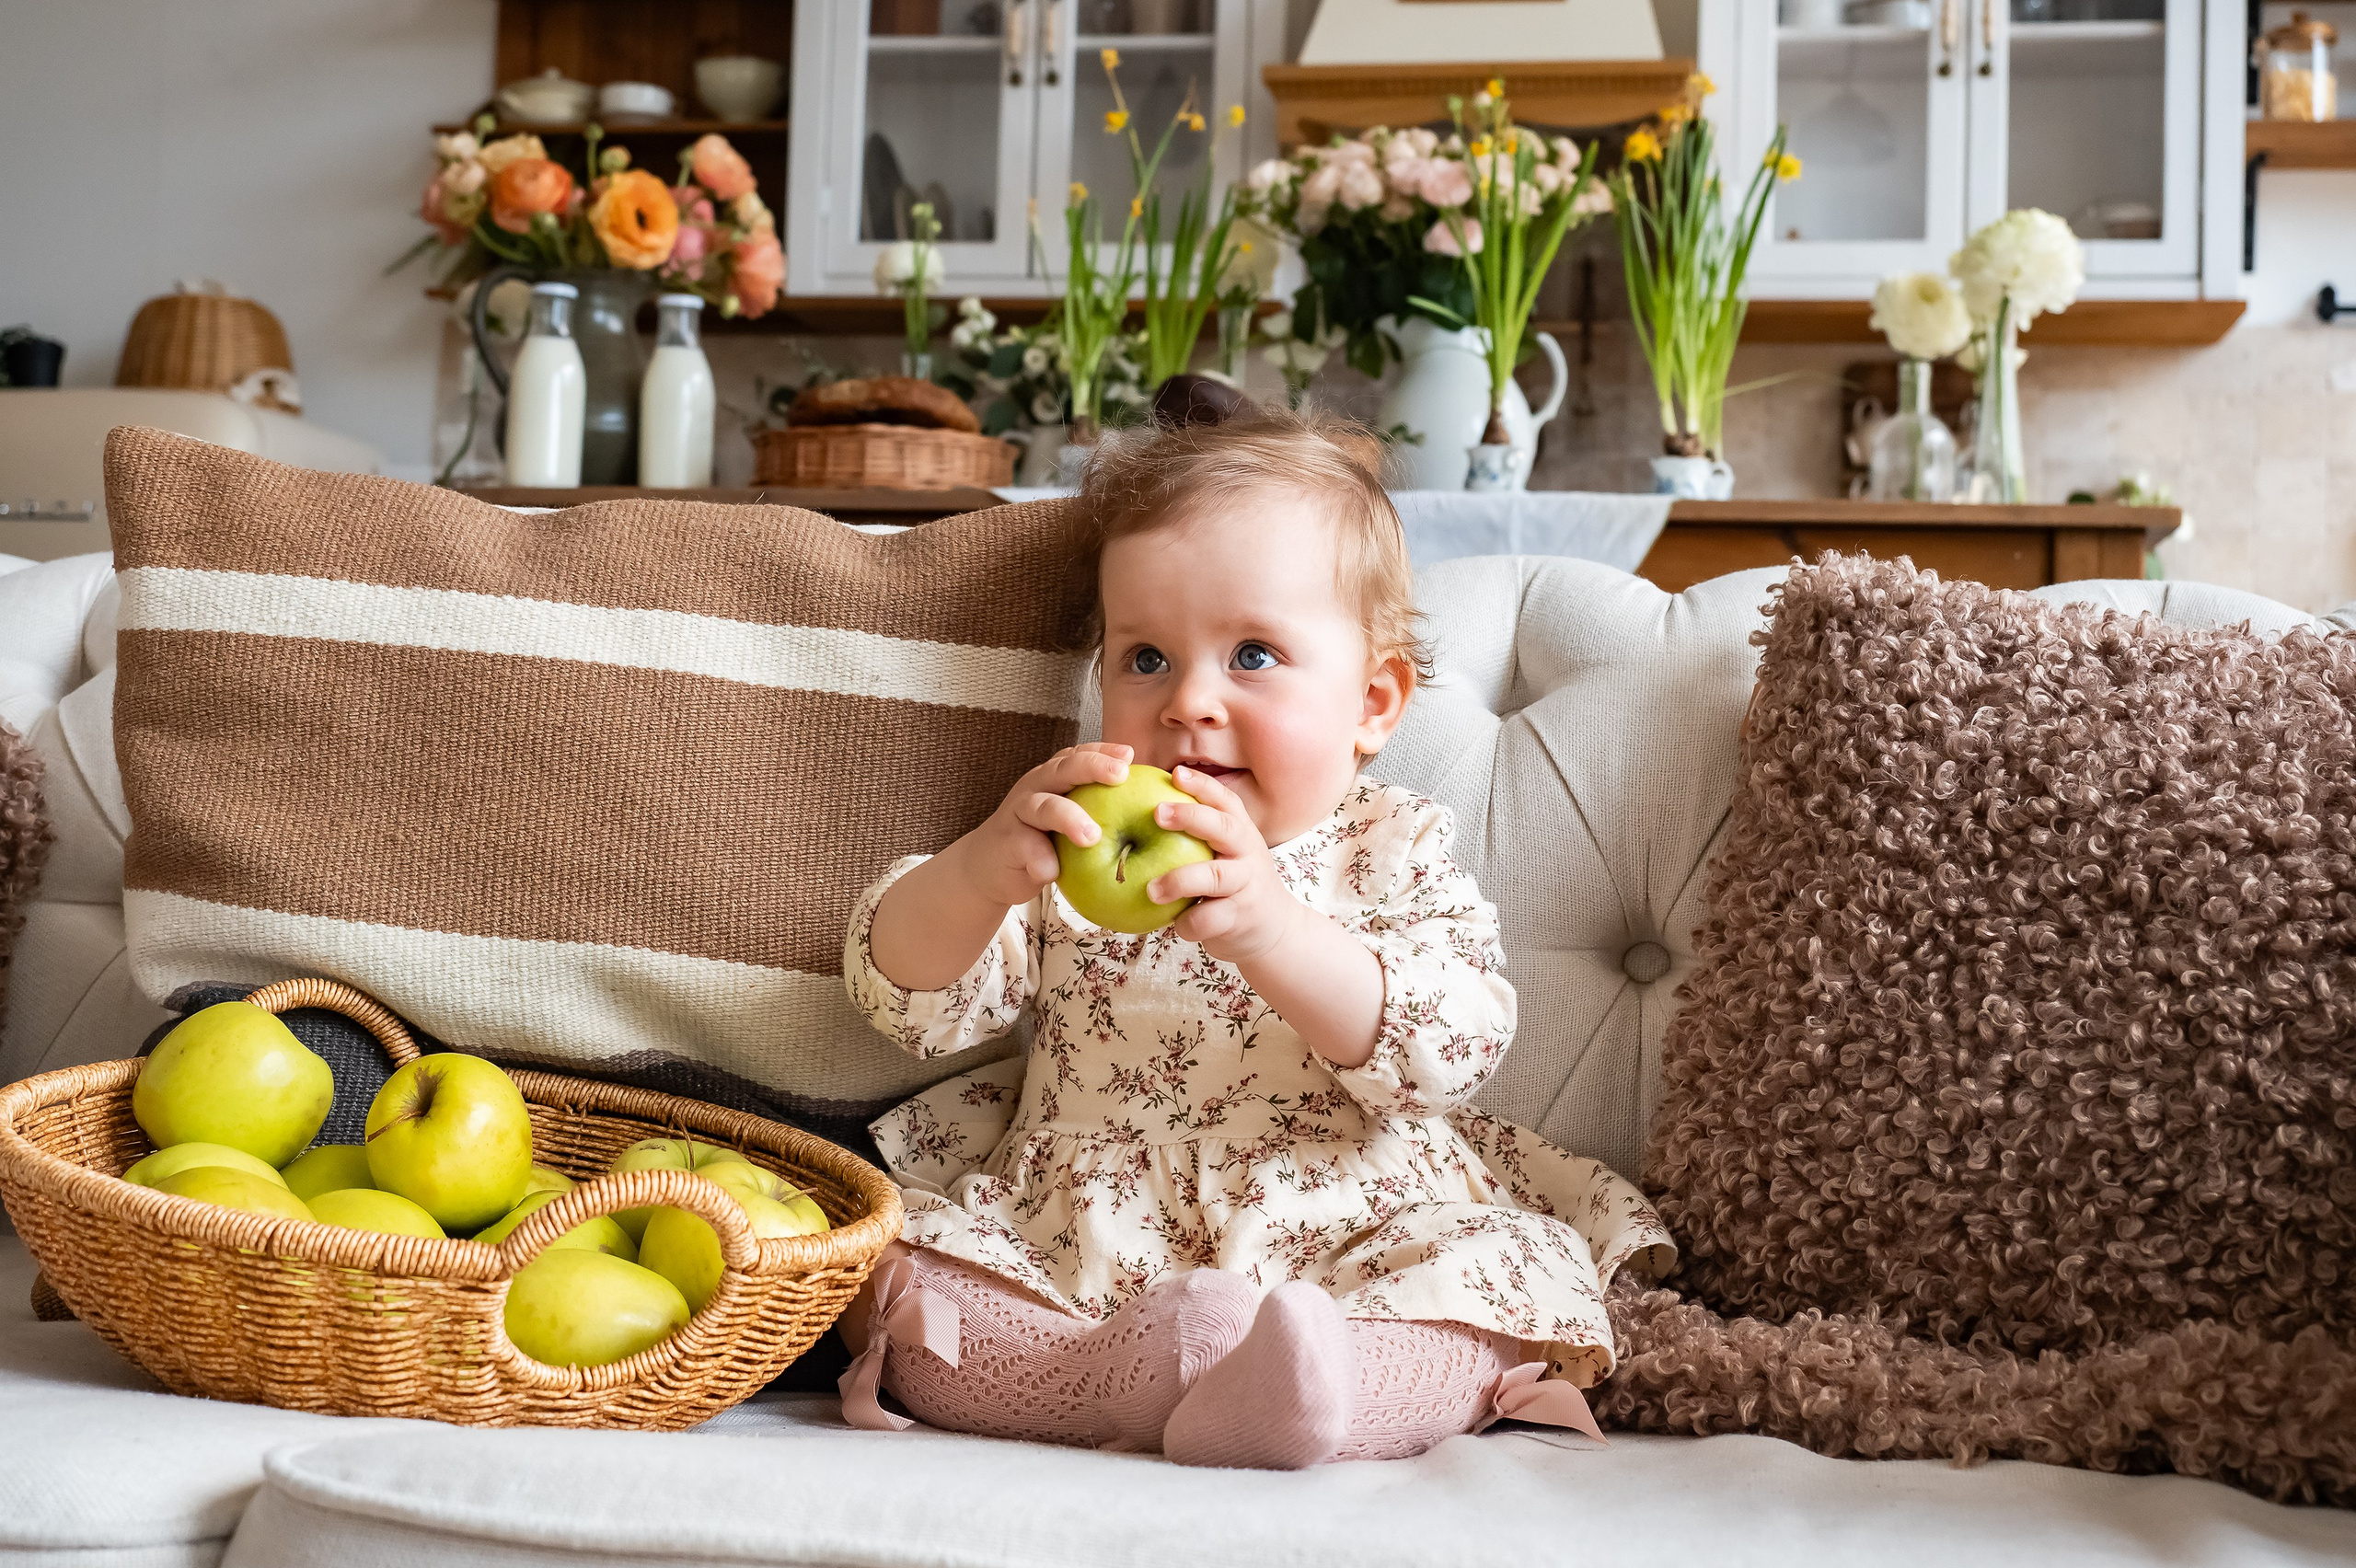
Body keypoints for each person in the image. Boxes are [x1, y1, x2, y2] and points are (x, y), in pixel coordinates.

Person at [836, 409, 1672, 1469]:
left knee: (1488, 1282)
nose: (1188, 703)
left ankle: (1326, 1391)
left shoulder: (1389, 846)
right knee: (899, 1272)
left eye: (1253, 655)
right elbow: (905, 996)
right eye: (1144, 657)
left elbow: (1447, 1046)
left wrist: (1273, 929)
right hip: (1086, 1230)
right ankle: (1094, 1381)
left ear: (1371, 703)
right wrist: (979, 871)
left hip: (1353, 1224)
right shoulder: (1066, 838)